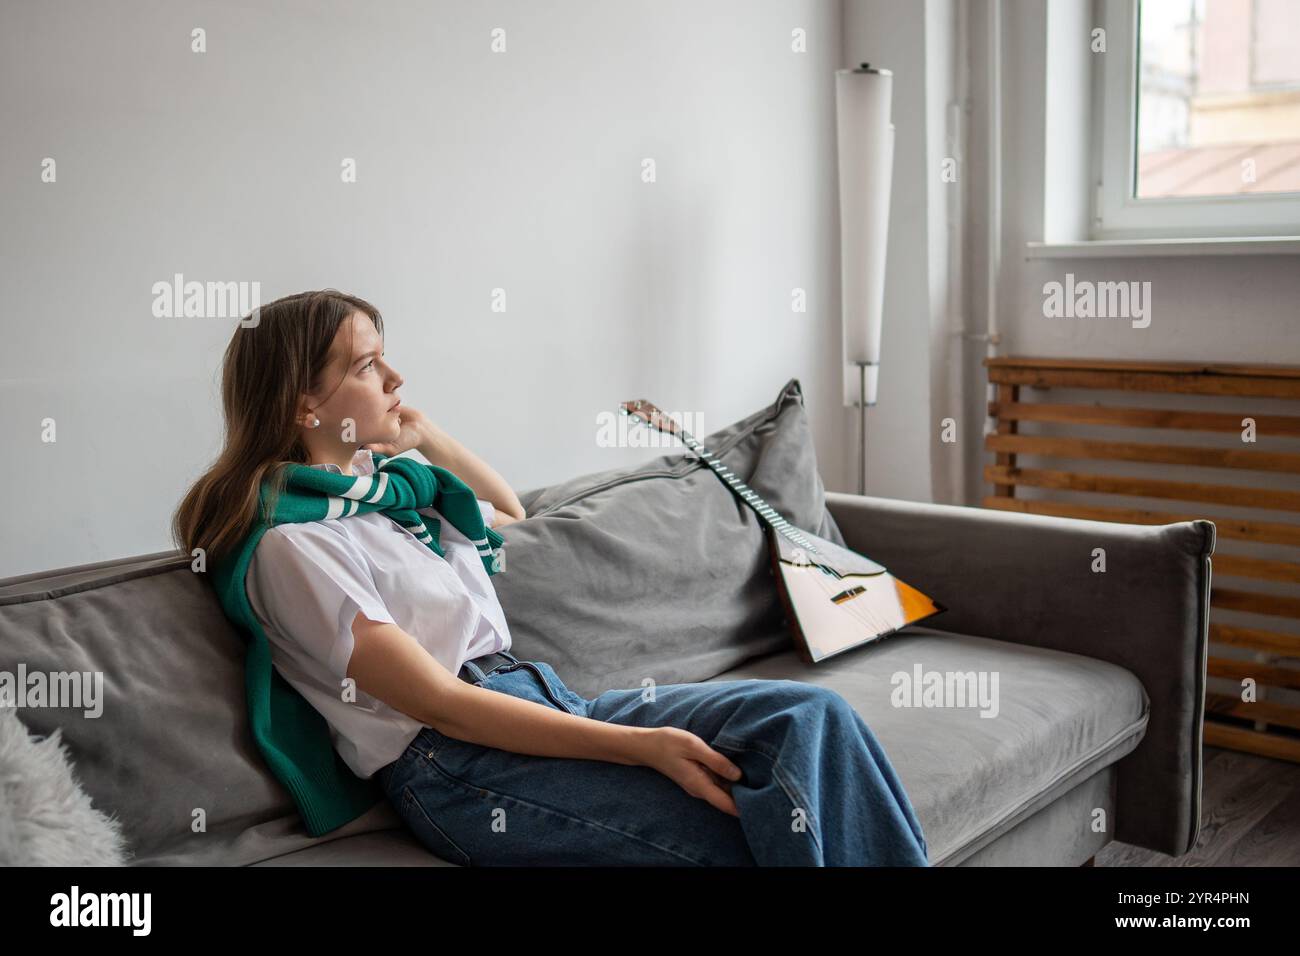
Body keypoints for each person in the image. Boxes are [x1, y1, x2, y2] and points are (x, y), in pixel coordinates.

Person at [173, 289, 930, 866]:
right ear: (305, 400)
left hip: (538, 696)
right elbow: (442, 704)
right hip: (457, 764)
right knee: (749, 830)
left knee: (809, 720)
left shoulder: (384, 491)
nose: (396, 375)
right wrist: (645, 746)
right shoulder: (293, 547)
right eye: (369, 366)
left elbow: (503, 514)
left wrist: (423, 432)